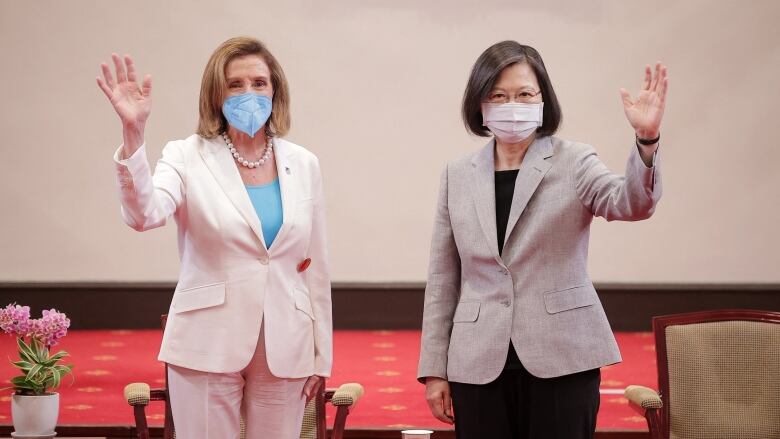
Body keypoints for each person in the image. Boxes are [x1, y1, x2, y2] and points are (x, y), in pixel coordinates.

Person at [417, 40, 667, 439]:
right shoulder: (457, 175)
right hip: (477, 360)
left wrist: (647, 141)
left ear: (543, 100)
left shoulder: (575, 161)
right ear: (479, 105)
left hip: (563, 356)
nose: (511, 104)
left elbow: (632, 203)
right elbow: (443, 278)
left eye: (524, 94)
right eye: (497, 95)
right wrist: (434, 370)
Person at [97, 37, 332, 439]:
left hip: (287, 342)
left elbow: (314, 264)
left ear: (275, 90)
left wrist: (320, 355)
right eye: (235, 85)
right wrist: (133, 134)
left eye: (259, 83)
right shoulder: (186, 155)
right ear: (215, 94)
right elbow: (144, 215)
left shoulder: (303, 163)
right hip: (206, 340)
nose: (249, 93)